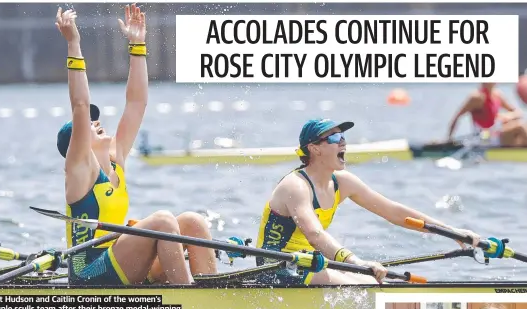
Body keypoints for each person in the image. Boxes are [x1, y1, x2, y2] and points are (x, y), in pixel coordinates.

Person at [55, 5, 216, 286]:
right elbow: (80, 106)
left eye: (96, 119)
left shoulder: (116, 158)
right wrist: (73, 43)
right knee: (163, 221)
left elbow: (136, 103)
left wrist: (137, 45)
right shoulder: (79, 171)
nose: (95, 122)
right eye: (87, 126)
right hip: (88, 271)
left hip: (120, 260)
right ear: (77, 143)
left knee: (192, 222)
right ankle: (190, 304)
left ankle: (215, 296)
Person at [255, 118, 482, 285]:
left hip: (311, 262)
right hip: (277, 266)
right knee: (369, 284)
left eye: (343, 137)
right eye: (334, 138)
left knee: (381, 282)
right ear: (314, 149)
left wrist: (450, 231)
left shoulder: (342, 182)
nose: (342, 143)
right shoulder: (295, 186)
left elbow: (392, 211)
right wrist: (356, 261)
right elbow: (316, 235)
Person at [447, 83, 527, 147]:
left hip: (497, 132)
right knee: (519, 127)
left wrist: (507, 116)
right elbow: (457, 117)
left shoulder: (497, 95)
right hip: (484, 137)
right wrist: (449, 140)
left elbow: (517, 112)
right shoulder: (477, 98)